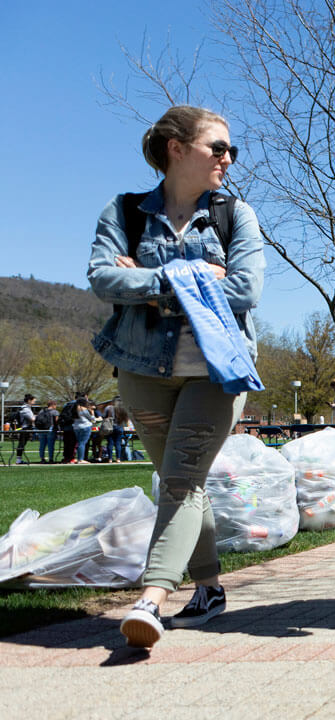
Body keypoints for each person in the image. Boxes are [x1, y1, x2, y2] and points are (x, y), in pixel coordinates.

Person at [88, 105, 265, 649]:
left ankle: (152, 597)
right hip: (142, 371)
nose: (228, 158)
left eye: (231, 149)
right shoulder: (125, 211)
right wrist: (185, 275)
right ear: (176, 148)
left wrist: (143, 277)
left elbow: (245, 291)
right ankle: (209, 590)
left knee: (183, 480)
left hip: (216, 373)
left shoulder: (237, 216)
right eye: (218, 147)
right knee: (180, 484)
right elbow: (100, 279)